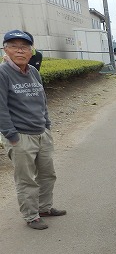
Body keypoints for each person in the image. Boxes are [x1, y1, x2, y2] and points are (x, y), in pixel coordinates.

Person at [0, 29, 66, 230]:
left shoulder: (33, 71)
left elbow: (42, 99)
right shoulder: (2, 73)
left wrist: (47, 124)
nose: (20, 51)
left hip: (41, 133)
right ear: (5, 49)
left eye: (25, 47)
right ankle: (31, 215)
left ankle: (44, 207)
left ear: (31, 51)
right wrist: (11, 135)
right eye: (14, 46)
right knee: (26, 180)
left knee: (47, 174)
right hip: (20, 137)